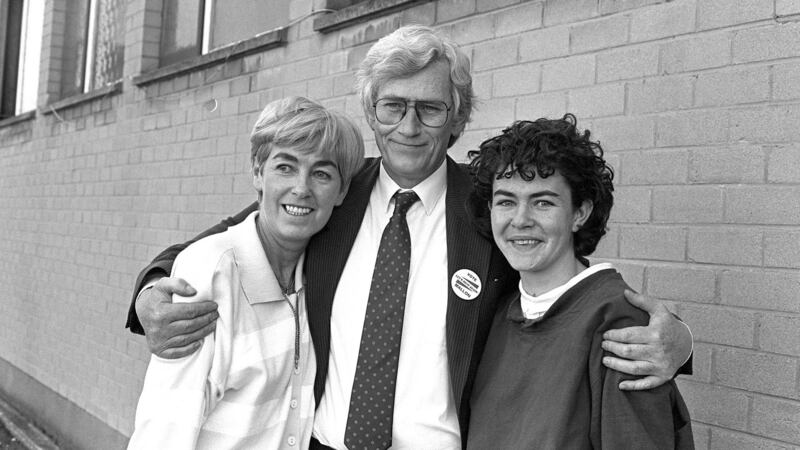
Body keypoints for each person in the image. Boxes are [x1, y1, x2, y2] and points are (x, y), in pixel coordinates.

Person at [126, 25, 693, 448]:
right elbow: (240, 234)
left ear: (457, 118)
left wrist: (677, 343)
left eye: (429, 108)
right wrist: (152, 287)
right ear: (371, 113)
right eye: (393, 106)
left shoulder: (488, 207)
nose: (410, 126)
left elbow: (561, 273)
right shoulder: (334, 193)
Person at [127, 97, 365, 449]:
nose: (302, 188)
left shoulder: (316, 273)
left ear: (342, 190)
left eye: (321, 174)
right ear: (258, 173)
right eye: (285, 167)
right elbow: (164, 432)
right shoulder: (213, 271)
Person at [466, 116, 693, 449]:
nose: (521, 220)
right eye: (506, 201)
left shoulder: (616, 322)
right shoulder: (498, 311)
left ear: (580, 213)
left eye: (543, 202)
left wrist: (683, 339)